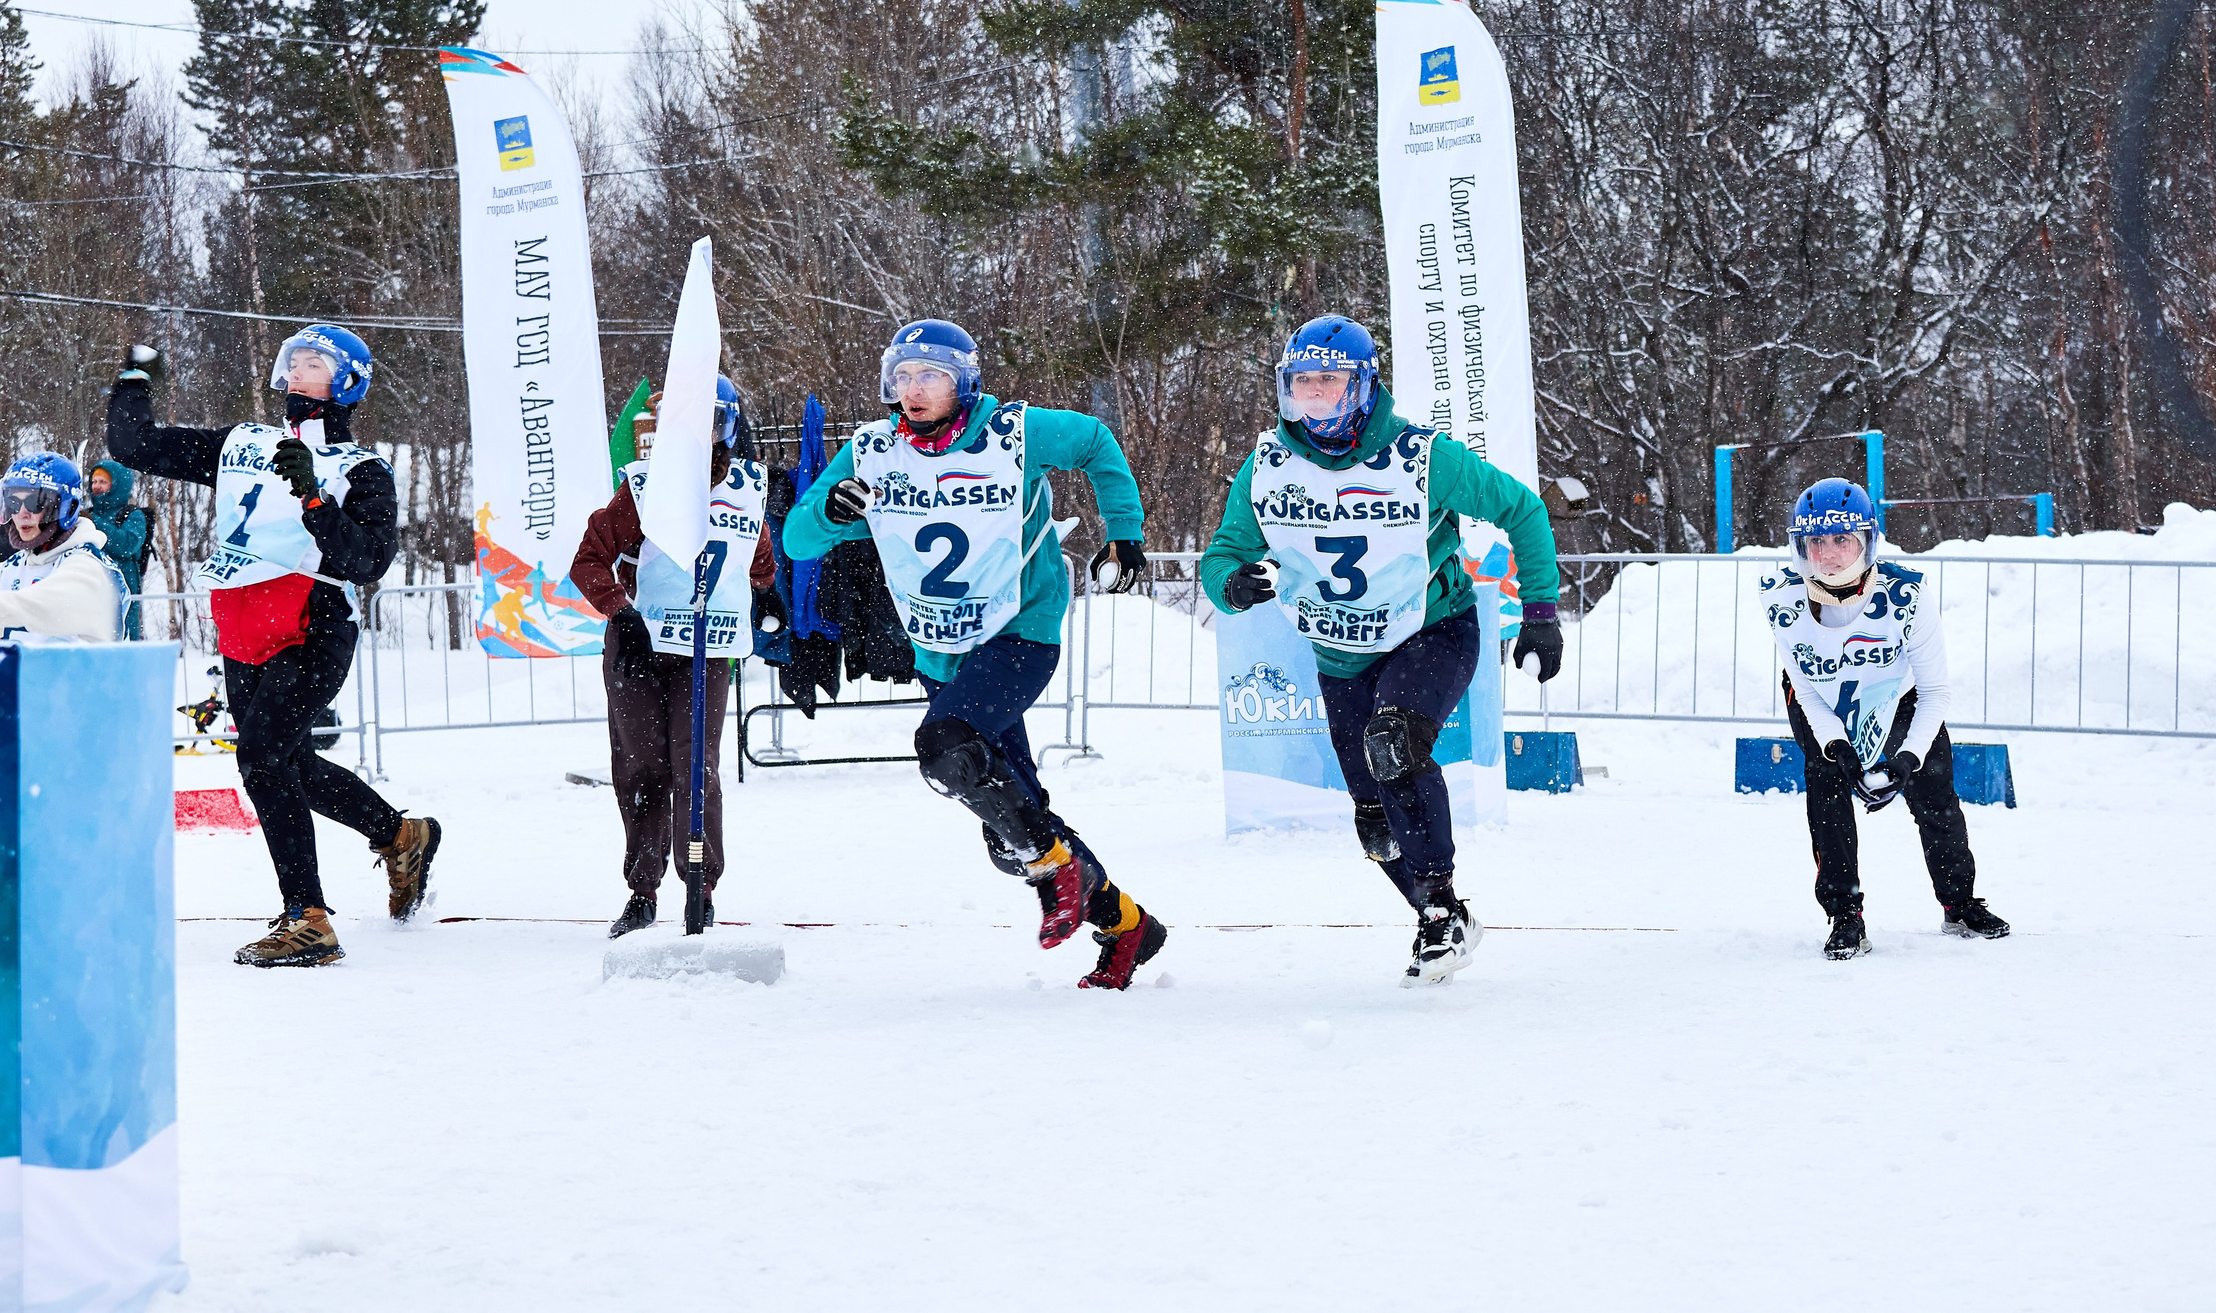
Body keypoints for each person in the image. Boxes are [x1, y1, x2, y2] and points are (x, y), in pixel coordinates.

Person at [782, 319, 1166, 990]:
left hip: (1021, 629)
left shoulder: (1013, 433)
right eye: (901, 376)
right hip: (942, 651)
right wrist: (833, 511)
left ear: (965, 380)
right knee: (1010, 831)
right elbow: (796, 540)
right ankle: (1126, 922)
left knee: (945, 746)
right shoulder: (872, 450)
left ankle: (1055, 870)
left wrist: (1124, 533)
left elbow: (1096, 442)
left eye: (929, 375)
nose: (912, 389)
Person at [1199, 316, 1564, 987]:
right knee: (1375, 820)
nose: (1312, 400)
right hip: (1341, 652)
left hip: (1434, 628)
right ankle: (1443, 909)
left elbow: (1522, 508)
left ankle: (1438, 918)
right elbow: (1222, 552)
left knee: (1393, 741)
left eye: (1328, 384)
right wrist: (1231, 583)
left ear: (1364, 389)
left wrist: (1540, 610)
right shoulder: (1268, 466)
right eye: (1300, 385)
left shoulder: (1421, 457)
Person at [108, 327, 441, 968]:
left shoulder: (363, 467)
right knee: (285, 766)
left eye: (311, 363)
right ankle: (402, 835)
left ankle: (307, 919)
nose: (294, 371)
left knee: (261, 759)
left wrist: (315, 497)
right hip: (242, 627)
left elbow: (367, 560)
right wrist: (134, 382)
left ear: (345, 383)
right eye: (291, 360)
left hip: (313, 627)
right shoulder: (243, 443)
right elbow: (135, 446)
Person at [1762, 478, 2010, 960]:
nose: (1829, 554)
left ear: (1867, 541)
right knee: (1828, 796)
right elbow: (1807, 690)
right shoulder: (1782, 599)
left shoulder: (1906, 595)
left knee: (1936, 796)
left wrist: (1906, 760)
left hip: (1902, 697)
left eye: (1841, 540)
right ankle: (1844, 916)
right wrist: (1837, 747)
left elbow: (1936, 691)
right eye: (1816, 542)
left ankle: (1958, 903)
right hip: (1821, 703)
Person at [569, 376, 779, 938]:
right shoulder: (641, 487)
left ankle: (700, 884)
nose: (694, 433)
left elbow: (758, 560)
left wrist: (764, 592)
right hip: (640, 645)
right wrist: (621, 613)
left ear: (727, 426)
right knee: (642, 768)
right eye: (680, 420)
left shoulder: (745, 486)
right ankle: (643, 888)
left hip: (705, 650)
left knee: (695, 765)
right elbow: (588, 560)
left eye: (708, 420)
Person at [0, 453, 130, 641]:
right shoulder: (15, 567)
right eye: (13, 502)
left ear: (65, 508)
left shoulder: (90, 567)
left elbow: (43, 607)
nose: (22, 513)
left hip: (86, 670)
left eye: (35, 503)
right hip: (30, 670)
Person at [85, 457, 151, 637]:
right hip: (90, 585)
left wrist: (94, 523)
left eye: (103, 482)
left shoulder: (132, 515)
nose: (96, 486)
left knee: (123, 638)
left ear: (117, 485)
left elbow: (126, 545)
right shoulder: (87, 513)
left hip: (122, 589)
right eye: (94, 482)